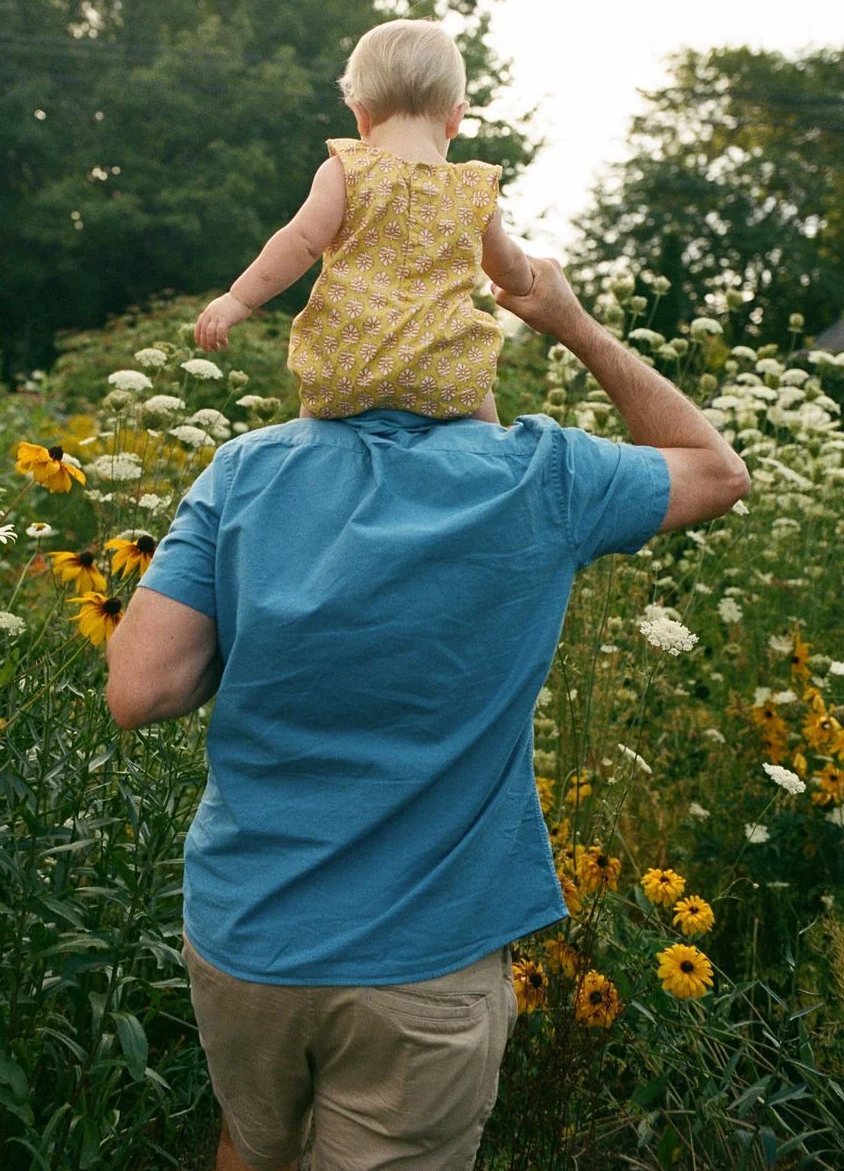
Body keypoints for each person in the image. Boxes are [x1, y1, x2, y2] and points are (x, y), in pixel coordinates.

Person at [106, 258, 749, 1171]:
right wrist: (572, 322)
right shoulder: (541, 478)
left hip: (247, 940)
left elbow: (140, 688)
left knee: (253, 1145)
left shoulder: (245, 471)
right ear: (472, 356)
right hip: (423, 962)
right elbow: (718, 472)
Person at [194, 19, 535, 422]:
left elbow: (300, 241)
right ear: (455, 117)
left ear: (361, 115)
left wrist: (239, 299)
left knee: (315, 415)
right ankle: (492, 463)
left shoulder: (346, 171)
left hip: (348, 362)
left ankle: (308, 451)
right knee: (479, 394)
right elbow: (508, 266)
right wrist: (528, 285)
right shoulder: (474, 190)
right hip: (445, 371)